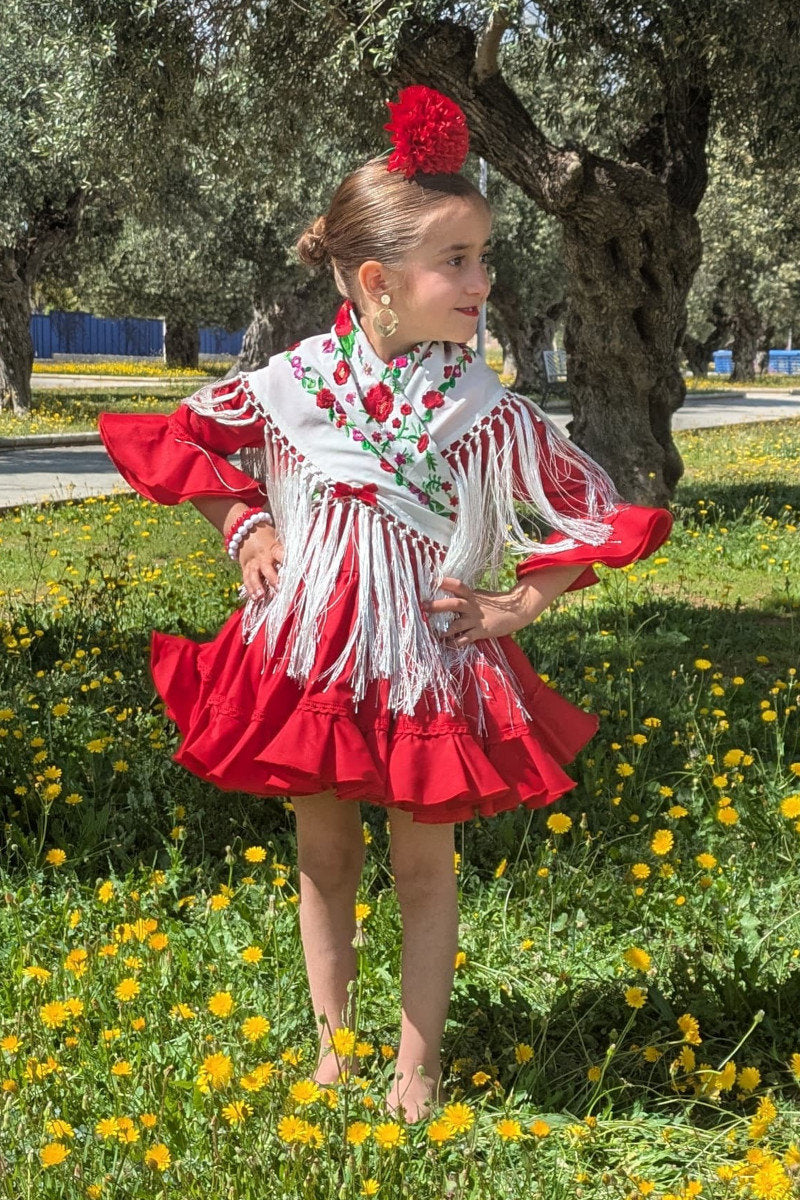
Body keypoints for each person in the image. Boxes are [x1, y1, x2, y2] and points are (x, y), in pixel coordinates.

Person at [98, 85, 673, 1124]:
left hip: (428, 662)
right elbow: (178, 440)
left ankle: (416, 1063)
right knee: (322, 857)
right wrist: (248, 527)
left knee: (421, 864)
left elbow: (601, 510)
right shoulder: (290, 385)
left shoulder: (483, 408)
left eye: (483, 258)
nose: (480, 281)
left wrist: (518, 606)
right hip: (312, 654)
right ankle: (332, 1050)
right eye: (455, 260)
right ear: (376, 280)